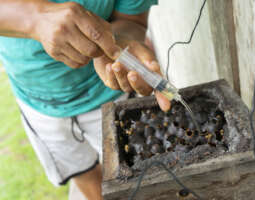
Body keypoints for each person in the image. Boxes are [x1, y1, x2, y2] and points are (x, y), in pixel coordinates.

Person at [0, 0, 171, 199]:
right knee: (82, 171)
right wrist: (33, 18)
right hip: (38, 102)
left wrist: (121, 39)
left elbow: (132, 21)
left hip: (110, 96)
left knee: (136, 174)